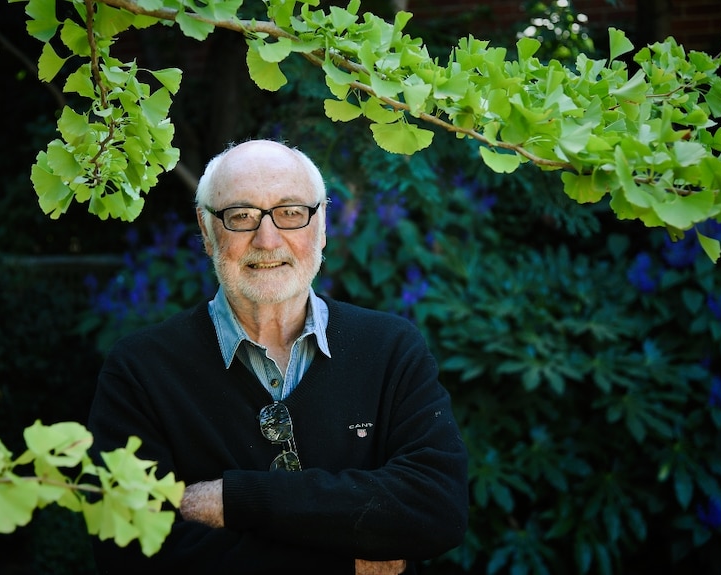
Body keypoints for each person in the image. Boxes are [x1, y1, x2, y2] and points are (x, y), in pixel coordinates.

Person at [87, 139, 468, 574]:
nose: (267, 240)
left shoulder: (391, 348)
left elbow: (436, 509)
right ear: (206, 230)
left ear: (321, 224)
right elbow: (130, 552)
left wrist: (234, 500)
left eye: (291, 213)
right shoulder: (140, 370)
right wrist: (351, 564)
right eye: (241, 216)